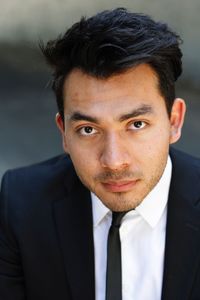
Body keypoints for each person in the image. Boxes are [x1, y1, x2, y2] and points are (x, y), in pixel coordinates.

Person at [0, 7, 200, 300]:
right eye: (88, 130)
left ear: (174, 121)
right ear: (63, 132)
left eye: (136, 124)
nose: (114, 160)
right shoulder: (20, 205)